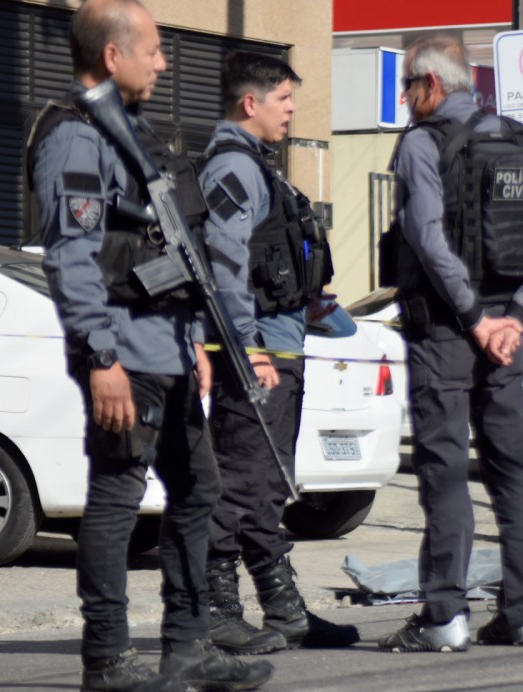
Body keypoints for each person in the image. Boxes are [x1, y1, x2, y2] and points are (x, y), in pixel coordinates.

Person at [26, 0, 272, 692]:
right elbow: (72, 257)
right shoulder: (76, 139)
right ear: (113, 56)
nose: (165, 63)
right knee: (116, 499)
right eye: (156, 50)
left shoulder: (128, 133)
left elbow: (171, 249)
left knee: (199, 490)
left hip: (164, 349)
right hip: (123, 356)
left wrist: (193, 339)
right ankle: (106, 661)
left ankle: (188, 648)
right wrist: (101, 359)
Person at [377, 35, 523, 653]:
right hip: (506, 337)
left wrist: (476, 319)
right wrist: (516, 316)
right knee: (514, 468)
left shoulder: (421, 145)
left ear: (431, 86)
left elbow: (428, 240)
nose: (404, 98)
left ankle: (444, 619)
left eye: (408, 87)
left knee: (445, 471)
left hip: (444, 332)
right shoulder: (520, 141)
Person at [197, 52, 358, 654]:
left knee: (267, 486)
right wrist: (247, 344)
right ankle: (216, 612)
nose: (292, 109)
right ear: (251, 103)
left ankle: (283, 611)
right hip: (256, 353)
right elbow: (225, 260)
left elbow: (270, 258)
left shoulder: (259, 169)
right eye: (284, 99)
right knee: (240, 484)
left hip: (280, 347)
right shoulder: (233, 168)